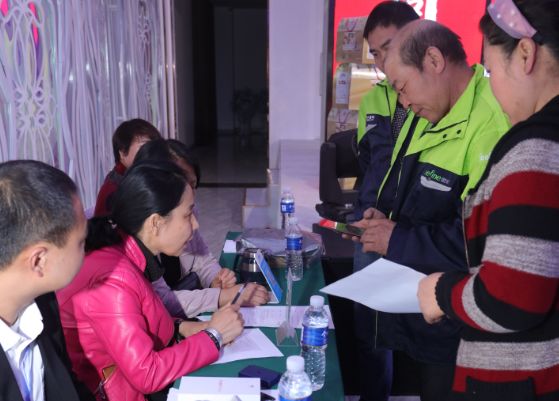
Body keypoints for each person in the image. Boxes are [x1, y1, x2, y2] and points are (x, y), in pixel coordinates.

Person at [352, 20, 510, 400]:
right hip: (419, 304)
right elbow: (409, 189)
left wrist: (397, 239)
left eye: (403, 87)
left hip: (457, 321)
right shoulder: (426, 111)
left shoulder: (491, 127)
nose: (403, 103)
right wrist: (385, 218)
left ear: (434, 61)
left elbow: (483, 243)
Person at [418, 0, 559, 399]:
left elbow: (510, 299)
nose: (492, 88)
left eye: (492, 71)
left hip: (525, 382)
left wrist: (440, 292)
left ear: (526, 54)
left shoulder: (536, 151)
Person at [57, 161, 245, 401]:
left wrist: (187, 328)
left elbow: (142, 320)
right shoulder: (113, 279)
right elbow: (147, 374)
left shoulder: (131, 253)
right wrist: (214, 336)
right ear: (156, 223)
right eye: (188, 215)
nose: (196, 224)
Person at [352, 3, 419, 401]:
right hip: (372, 232)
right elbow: (369, 167)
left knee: (418, 330)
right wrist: (362, 215)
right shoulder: (373, 100)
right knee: (370, 333)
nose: (381, 63)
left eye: (388, 48)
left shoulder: (436, 97)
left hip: (416, 235)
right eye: (375, 53)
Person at [133, 139, 270, 318]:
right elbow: (159, 302)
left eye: (193, 185)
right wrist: (221, 296)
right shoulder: (136, 246)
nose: (190, 193)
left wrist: (216, 279)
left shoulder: (185, 210)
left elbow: (201, 259)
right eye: (182, 184)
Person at [0, 160, 94, 401]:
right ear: (39, 260)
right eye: (81, 242)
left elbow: (68, 387)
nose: (86, 250)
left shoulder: (41, 302)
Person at [93, 118, 162, 216]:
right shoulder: (113, 191)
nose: (149, 152)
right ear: (122, 153)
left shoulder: (155, 176)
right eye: (143, 147)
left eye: (153, 147)